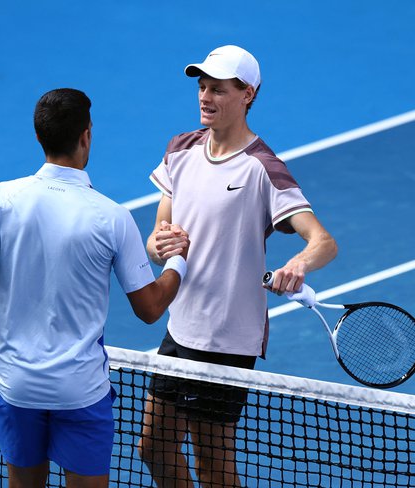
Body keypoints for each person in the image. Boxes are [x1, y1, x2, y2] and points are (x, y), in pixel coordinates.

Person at [0, 88, 190, 488]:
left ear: (39, 137)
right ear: (87, 135)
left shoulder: (2, 198)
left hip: (17, 386)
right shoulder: (113, 218)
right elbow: (151, 308)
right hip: (80, 392)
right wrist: (179, 260)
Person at [138, 45, 338, 486]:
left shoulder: (263, 169)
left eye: (219, 89)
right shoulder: (180, 150)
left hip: (227, 339)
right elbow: (157, 240)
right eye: (202, 87)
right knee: (152, 446)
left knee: (213, 463)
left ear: (247, 94)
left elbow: (323, 241)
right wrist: (162, 243)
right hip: (180, 325)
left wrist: (299, 265)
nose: (206, 97)